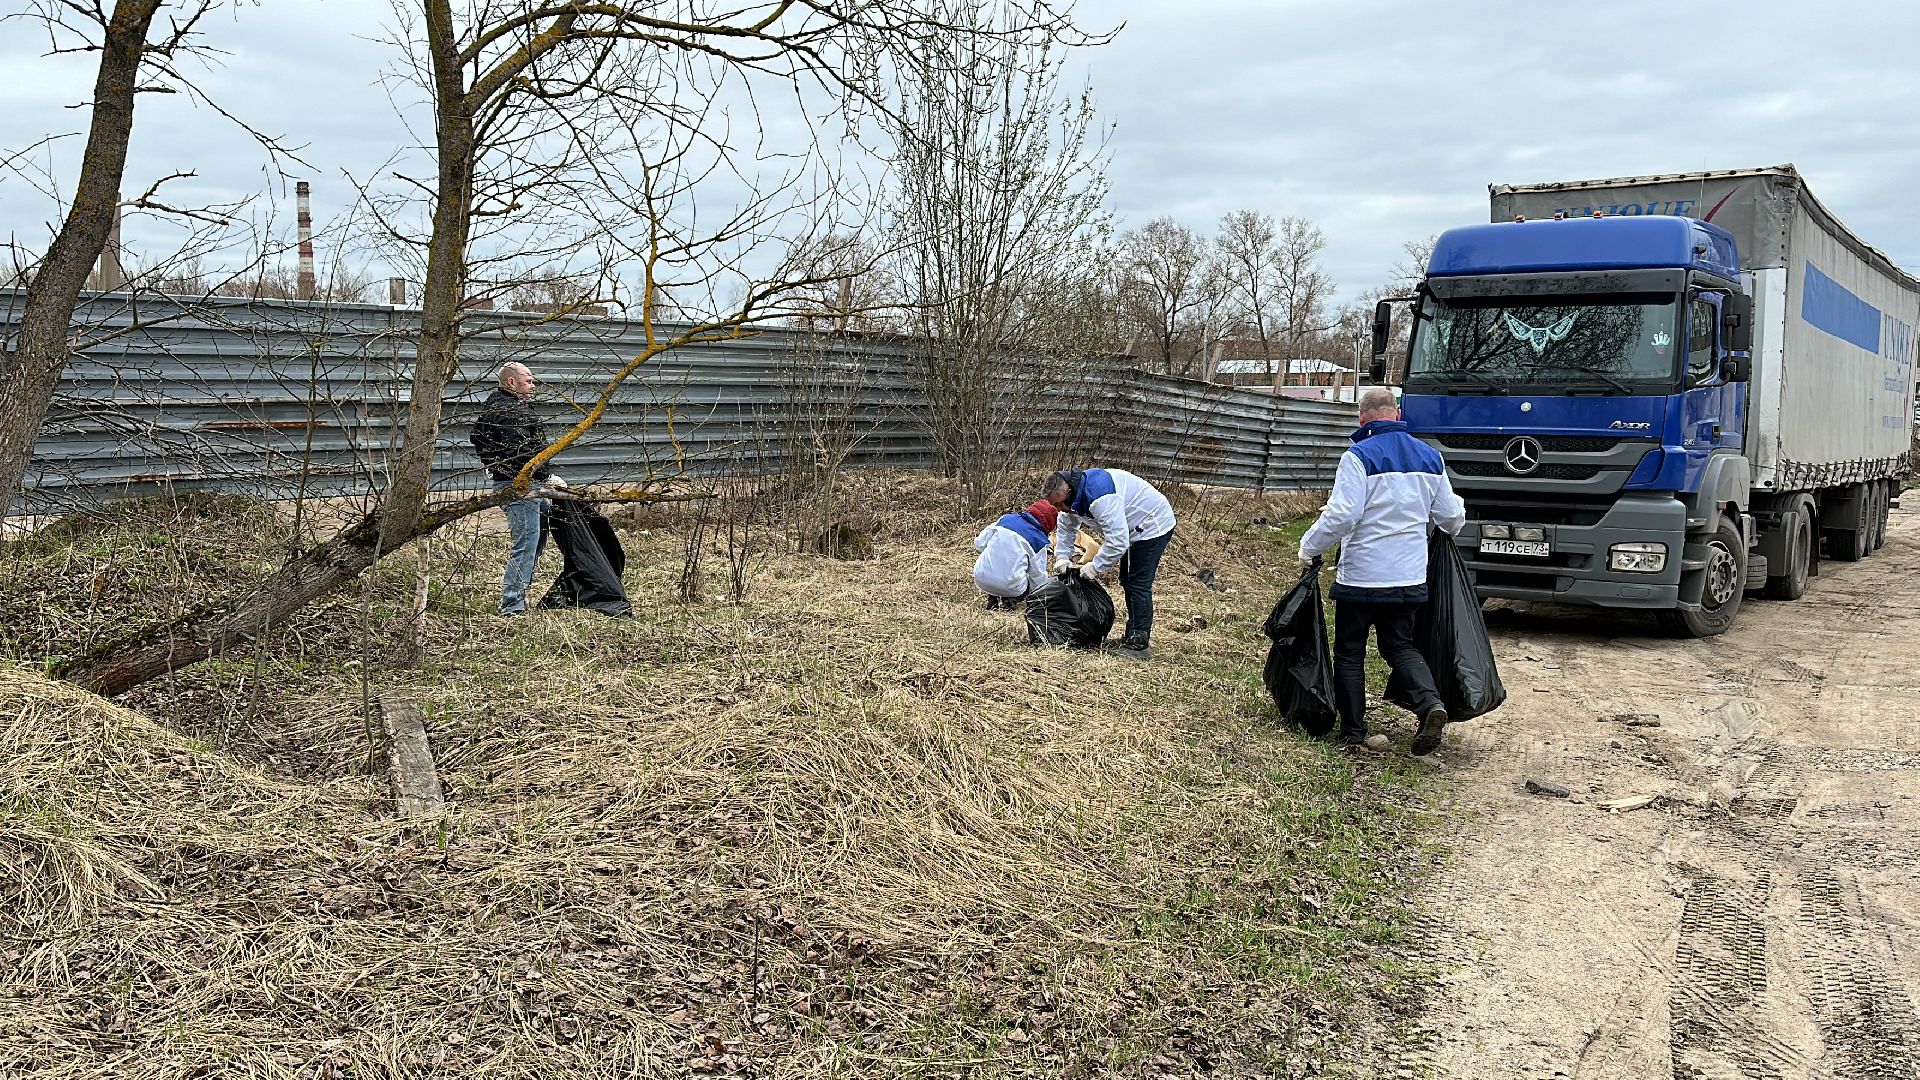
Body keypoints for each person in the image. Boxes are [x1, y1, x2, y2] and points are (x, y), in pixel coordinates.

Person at [1299, 387, 1466, 754]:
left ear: (1362, 417)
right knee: (1401, 646)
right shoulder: (1431, 457)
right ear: (1396, 413)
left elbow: (1342, 514)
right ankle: (1430, 705)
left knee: (1350, 652)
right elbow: (1451, 517)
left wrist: (1308, 547)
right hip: (1408, 578)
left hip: (1362, 577)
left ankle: (1354, 733)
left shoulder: (1358, 456)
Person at [1043, 468, 1176, 660]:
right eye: (1055, 505)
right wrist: (1062, 557)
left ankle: (1139, 643)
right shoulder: (1070, 500)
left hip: (1152, 524)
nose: (1059, 509)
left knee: (1138, 583)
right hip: (1130, 528)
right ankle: (1132, 634)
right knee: (1127, 580)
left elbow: (1117, 541)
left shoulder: (1100, 497)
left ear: (1069, 491)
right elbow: (1066, 528)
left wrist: (1095, 567)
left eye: (1059, 504)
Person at [471, 362, 567, 616]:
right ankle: (512, 606)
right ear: (511, 383)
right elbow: (522, 451)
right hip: (518, 486)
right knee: (525, 543)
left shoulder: (499, 407)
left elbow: (477, 439)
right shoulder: (510, 411)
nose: (533, 386)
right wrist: (546, 477)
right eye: (529, 381)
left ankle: (519, 594)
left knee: (539, 528)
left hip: (515, 482)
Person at [973, 499, 1059, 610]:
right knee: (1027, 579)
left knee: (995, 567)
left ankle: (993, 598)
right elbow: (1038, 578)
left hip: (980, 578)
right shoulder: (1039, 541)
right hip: (1011, 588)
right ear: (1050, 524)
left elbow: (979, 544)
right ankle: (1008, 601)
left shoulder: (1005, 519)